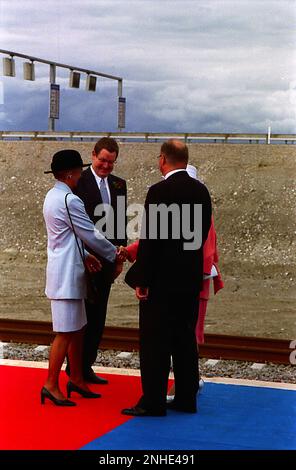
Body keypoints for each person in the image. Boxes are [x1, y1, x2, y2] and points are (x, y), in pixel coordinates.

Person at [122, 140, 212, 417]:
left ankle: (153, 401)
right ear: (185, 159)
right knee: (185, 340)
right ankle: (186, 398)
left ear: (162, 159)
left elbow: (152, 240)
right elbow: (203, 230)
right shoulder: (201, 191)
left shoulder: (159, 191)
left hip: (161, 282)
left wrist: (142, 279)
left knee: (155, 343)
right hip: (189, 279)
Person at [42, 149, 118, 406]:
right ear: (69, 174)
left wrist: (85, 255)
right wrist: (114, 253)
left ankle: (76, 378)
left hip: (66, 270)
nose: (80, 175)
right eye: (78, 171)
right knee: (65, 332)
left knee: (78, 329)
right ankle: (51, 384)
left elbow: (65, 236)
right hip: (67, 276)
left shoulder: (52, 196)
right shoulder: (69, 200)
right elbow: (89, 233)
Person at [65, 137, 127, 385]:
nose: (106, 166)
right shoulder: (78, 183)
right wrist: (82, 253)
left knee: (99, 316)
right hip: (83, 260)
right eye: (102, 160)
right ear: (92, 156)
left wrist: (119, 257)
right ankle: (74, 369)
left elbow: (120, 222)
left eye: (111, 162)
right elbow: (72, 225)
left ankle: (86, 366)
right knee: (81, 317)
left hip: (107, 261)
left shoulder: (119, 185)